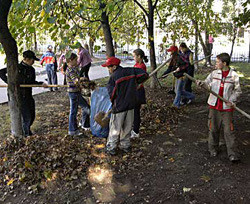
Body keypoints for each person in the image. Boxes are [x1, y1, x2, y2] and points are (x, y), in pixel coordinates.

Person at [196, 53, 241, 162]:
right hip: (214, 107)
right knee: (213, 128)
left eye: (217, 62)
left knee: (228, 131)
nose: (216, 64)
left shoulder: (233, 76)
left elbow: (237, 91)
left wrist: (232, 100)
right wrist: (202, 84)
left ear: (224, 63)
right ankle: (213, 149)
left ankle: (232, 154)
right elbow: (207, 84)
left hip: (227, 108)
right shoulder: (214, 74)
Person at [103, 57, 148, 155]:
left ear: (114, 66)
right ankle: (125, 145)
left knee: (115, 128)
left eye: (109, 67)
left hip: (119, 106)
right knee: (127, 127)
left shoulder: (114, 77)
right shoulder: (130, 70)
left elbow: (112, 94)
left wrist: (114, 102)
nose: (108, 69)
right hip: (131, 104)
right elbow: (144, 74)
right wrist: (137, 83)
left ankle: (111, 147)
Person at [0, 50, 48, 136]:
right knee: (27, 117)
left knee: (32, 116)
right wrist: (10, 83)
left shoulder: (31, 70)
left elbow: (32, 82)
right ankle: (27, 135)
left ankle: (27, 130)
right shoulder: (17, 67)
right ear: (26, 59)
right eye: (32, 60)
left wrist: (41, 84)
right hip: (20, 96)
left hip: (28, 95)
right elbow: (1, 72)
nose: (33, 62)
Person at [65, 51, 90, 136]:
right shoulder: (70, 70)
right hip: (73, 93)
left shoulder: (74, 68)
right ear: (70, 61)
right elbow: (75, 80)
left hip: (76, 92)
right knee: (76, 111)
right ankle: (72, 130)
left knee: (85, 107)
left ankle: (84, 124)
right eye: (75, 60)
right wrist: (82, 82)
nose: (77, 61)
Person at [131, 48, 148, 138]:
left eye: (134, 56)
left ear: (139, 56)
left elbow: (140, 79)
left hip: (138, 92)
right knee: (133, 111)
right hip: (134, 91)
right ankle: (134, 129)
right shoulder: (136, 65)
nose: (133, 58)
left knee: (136, 112)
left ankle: (136, 131)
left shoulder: (141, 67)